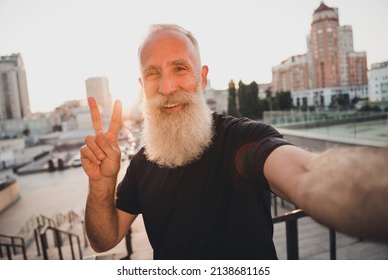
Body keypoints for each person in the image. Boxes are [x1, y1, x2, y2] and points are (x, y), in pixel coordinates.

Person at [81, 24, 388, 260]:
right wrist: (101, 184)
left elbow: (306, 174)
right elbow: (104, 239)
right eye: (152, 74)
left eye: (179, 68)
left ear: (202, 78)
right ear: (141, 86)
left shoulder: (244, 138)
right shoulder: (141, 164)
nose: (167, 86)